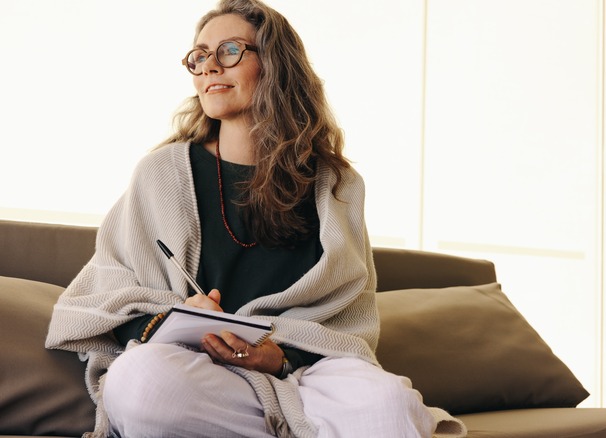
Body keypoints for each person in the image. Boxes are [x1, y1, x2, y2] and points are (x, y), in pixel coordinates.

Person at [44, 1, 466, 437]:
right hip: (197, 368)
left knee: (390, 403)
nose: (208, 67)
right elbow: (108, 292)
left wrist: (279, 358)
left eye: (227, 50)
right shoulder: (162, 173)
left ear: (275, 64)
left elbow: (347, 326)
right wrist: (174, 318)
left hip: (305, 378)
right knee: (140, 383)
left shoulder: (337, 184)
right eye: (199, 56)